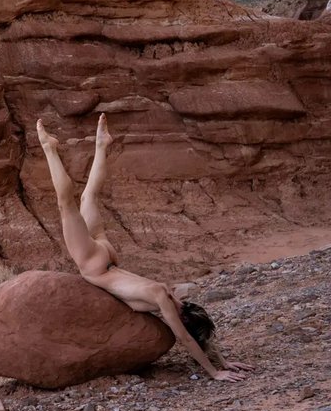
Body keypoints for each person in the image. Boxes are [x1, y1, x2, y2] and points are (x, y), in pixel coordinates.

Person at [35, 114, 253, 382]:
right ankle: (49, 148)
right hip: (95, 265)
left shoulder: (166, 292)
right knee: (65, 203)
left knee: (87, 196)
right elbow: (186, 337)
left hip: (108, 254)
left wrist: (222, 360)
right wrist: (214, 371)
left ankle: (102, 145)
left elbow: (198, 333)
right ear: (180, 315)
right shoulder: (162, 300)